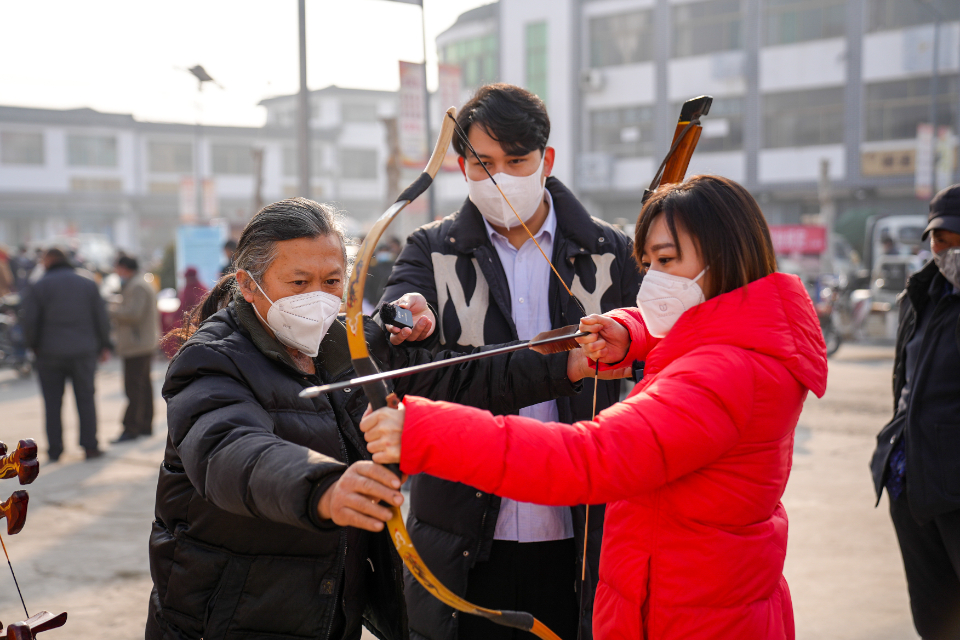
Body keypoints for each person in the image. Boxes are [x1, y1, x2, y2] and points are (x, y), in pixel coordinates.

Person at [363, 175, 829, 640]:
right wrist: (630, 332)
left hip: (692, 617)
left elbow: (589, 457)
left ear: (725, 256)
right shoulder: (748, 336)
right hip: (689, 600)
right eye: (649, 265)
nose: (654, 283)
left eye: (668, 260)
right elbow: (691, 324)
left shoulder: (723, 374)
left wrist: (423, 432)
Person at [147, 197, 608, 640]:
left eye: (332, 281)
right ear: (249, 285)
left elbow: (457, 377)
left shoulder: (348, 342)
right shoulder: (210, 359)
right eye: (298, 282)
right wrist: (324, 488)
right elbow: (228, 450)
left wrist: (569, 363)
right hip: (225, 616)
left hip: (328, 611)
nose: (319, 298)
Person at [379, 83, 640, 640]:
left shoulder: (610, 252)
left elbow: (651, 367)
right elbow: (416, 374)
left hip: (583, 532)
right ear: (461, 166)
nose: (500, 177)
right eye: (485, 162)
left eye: (516, 161)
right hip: (463, 533)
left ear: (546, 160)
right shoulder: (430, 251)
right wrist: (403, 320)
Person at [871, 183, 960, 640]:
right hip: (910, 481)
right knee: (935, 615)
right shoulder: (919, 296)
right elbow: (903, 384)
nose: (949, 250)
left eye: (959, 239)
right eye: (941, 239)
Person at [21, 247, 112, 461]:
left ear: (49, 260)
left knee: (52, 403)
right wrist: (104, 345)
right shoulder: (88, 282)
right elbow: (101, 317)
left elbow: (30, 321)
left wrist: (33, 345)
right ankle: (90, 446)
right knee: (86, 399)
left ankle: (55, 450)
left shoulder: (39, 285)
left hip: (49, 353)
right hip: (83, 351)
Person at [110, 255, 160, 443]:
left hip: (136, 345)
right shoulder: (140, 282)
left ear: (124, 268)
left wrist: (111, 310)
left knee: (134, 388)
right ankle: (145, 425)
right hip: (142, 343)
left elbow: (133, 314)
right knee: (143, 386)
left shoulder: (137, 285)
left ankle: (131, 427)